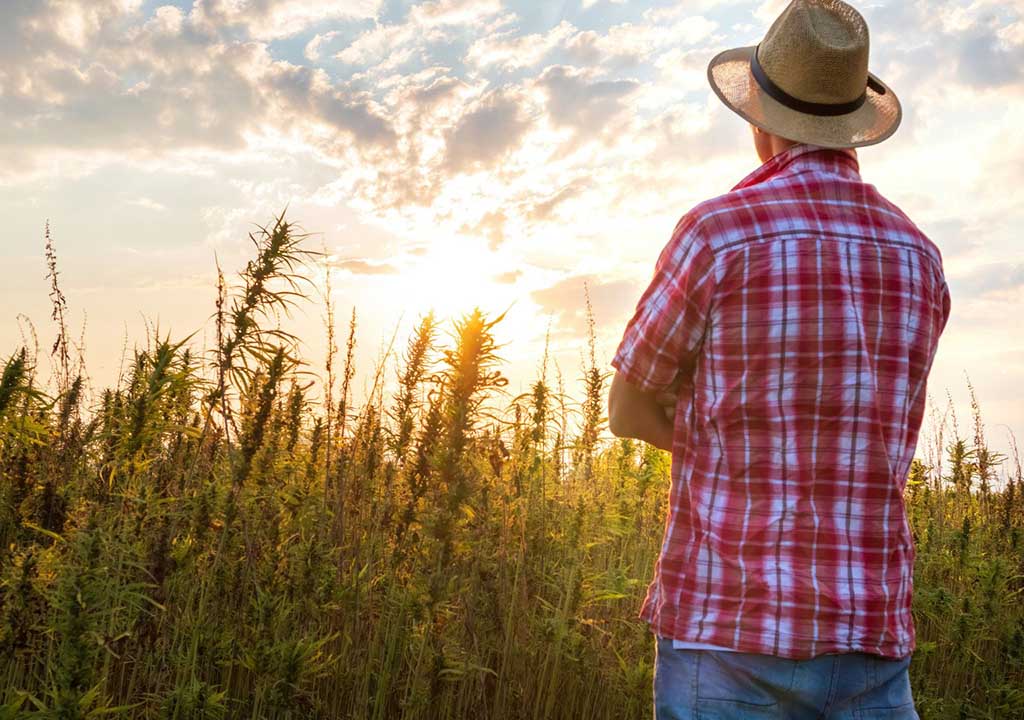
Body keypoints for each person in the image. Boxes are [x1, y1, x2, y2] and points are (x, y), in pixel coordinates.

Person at [607, 1, 952, 718]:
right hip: (870, 637)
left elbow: (627, 407)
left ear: (759, 113)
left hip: (729, 628)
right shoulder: (921, 259)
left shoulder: (717, 235)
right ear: (853, 121)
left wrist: (718, 436)